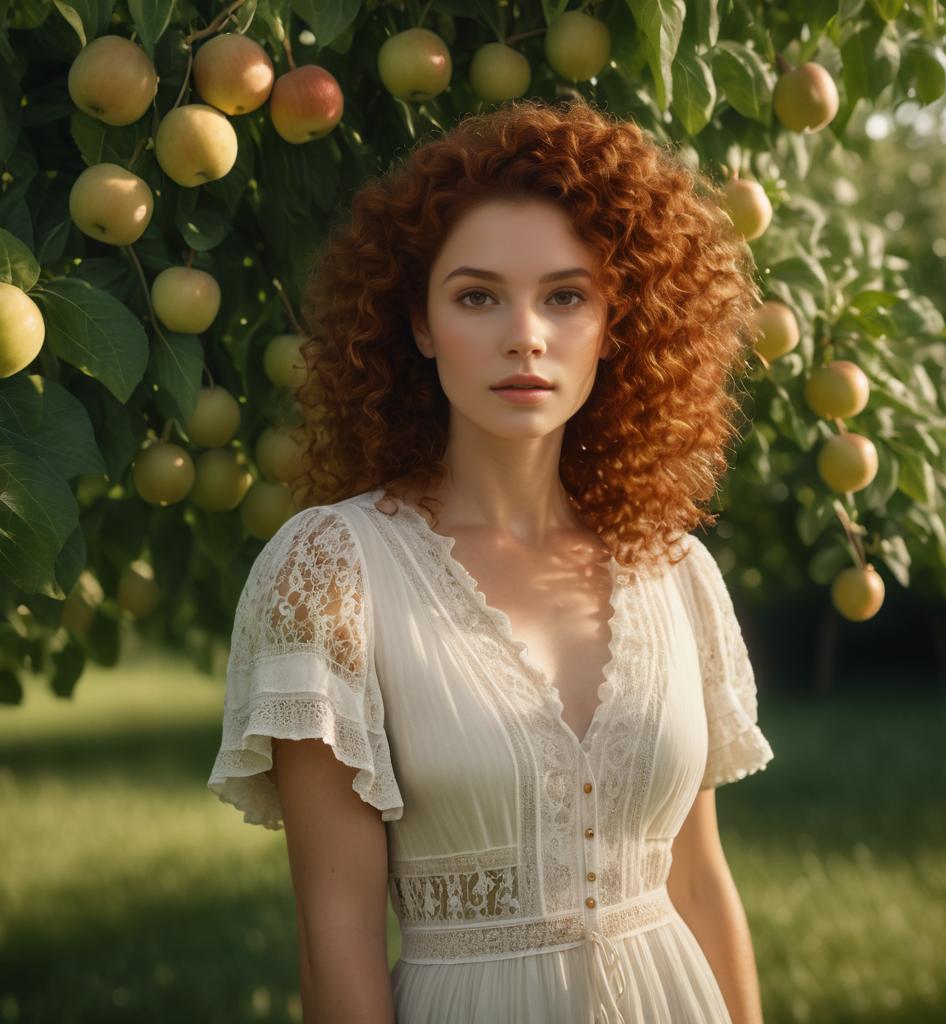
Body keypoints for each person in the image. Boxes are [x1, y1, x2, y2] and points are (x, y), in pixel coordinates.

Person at [208, 97, 775, 1024]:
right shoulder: (332, 573)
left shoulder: (672, 569)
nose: (526, 335)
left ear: (614, 321)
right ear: (420, 325)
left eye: (565, 295)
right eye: (478, 296)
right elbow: (335, 931)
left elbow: (701, 882)